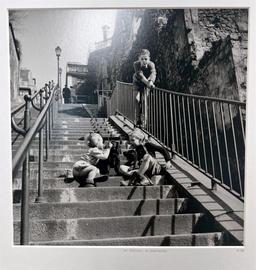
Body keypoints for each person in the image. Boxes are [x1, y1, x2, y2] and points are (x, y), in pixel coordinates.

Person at [133, 49, 156, 127]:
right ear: (139, 59)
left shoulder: (151, 64)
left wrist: (151, 81)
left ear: (149, 59)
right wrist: (148, 83)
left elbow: (153, 73)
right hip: (137, 83)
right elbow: (140, 75)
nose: (144, 61)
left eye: (146, 59)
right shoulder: (136, 64)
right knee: (137, 99)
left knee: (144, 101)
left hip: (146, 84)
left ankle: (144, 121)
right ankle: (137, 119)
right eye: (142, 59)